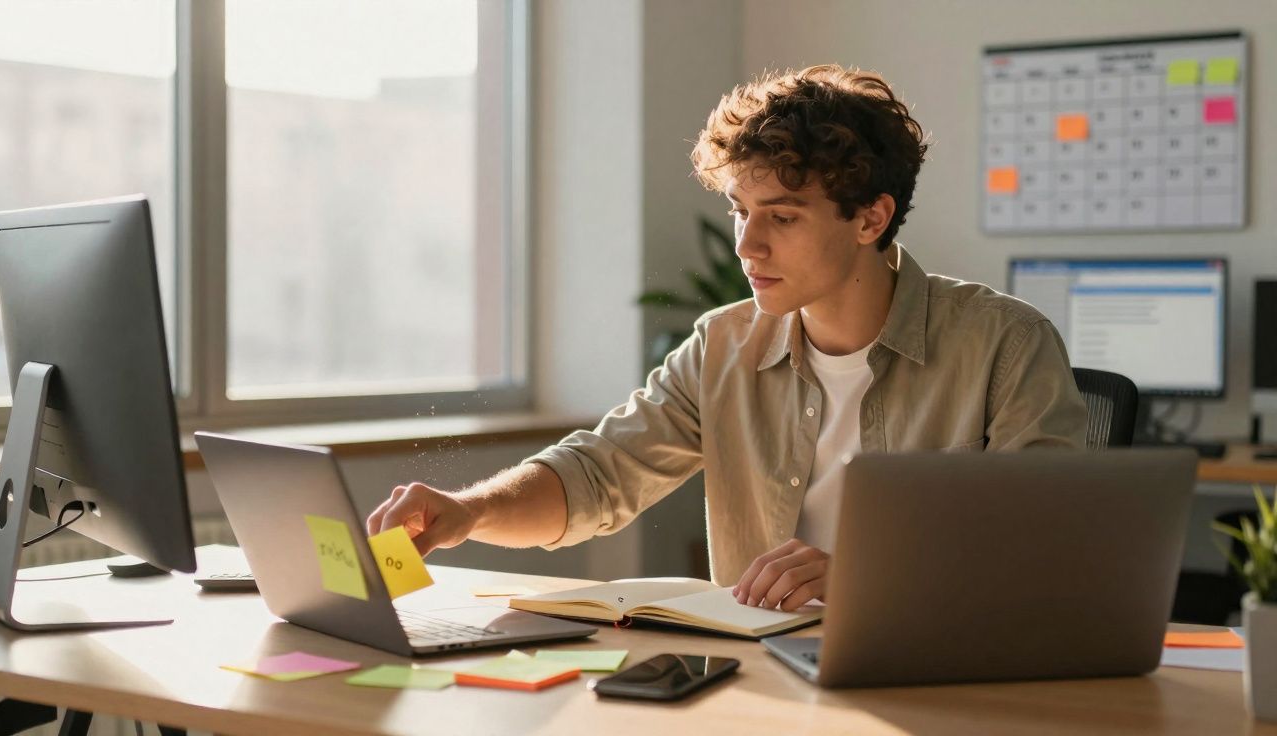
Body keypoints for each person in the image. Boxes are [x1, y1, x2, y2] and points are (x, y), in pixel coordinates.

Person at [367, 65, 1087, 613]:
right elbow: (598, 475)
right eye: (741, 210)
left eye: (782, 216)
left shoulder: (1006, 346)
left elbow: (1050, 555)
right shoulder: (723, 347)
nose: (748, 245)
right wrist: (473, 511)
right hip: (762, 688)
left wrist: (870, 581)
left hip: (940, 686)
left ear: (870, 219)